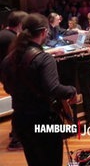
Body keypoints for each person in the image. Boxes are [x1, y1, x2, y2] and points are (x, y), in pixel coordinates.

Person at [0, 13, 77, 166]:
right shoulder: (44, 59)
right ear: (43, 33)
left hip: (21, 121)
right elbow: (53, 88)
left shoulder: (8, 59)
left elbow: (8, 88)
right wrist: (72, 90)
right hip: (43, 121)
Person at [0, 10, 27, 150]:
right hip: (11, 77)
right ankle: (16, 140)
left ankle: (14, 133)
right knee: (21, 106)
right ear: (20, 24)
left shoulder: (4, 34)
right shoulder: (11, 39)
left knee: (19, 105)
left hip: (5, 76)